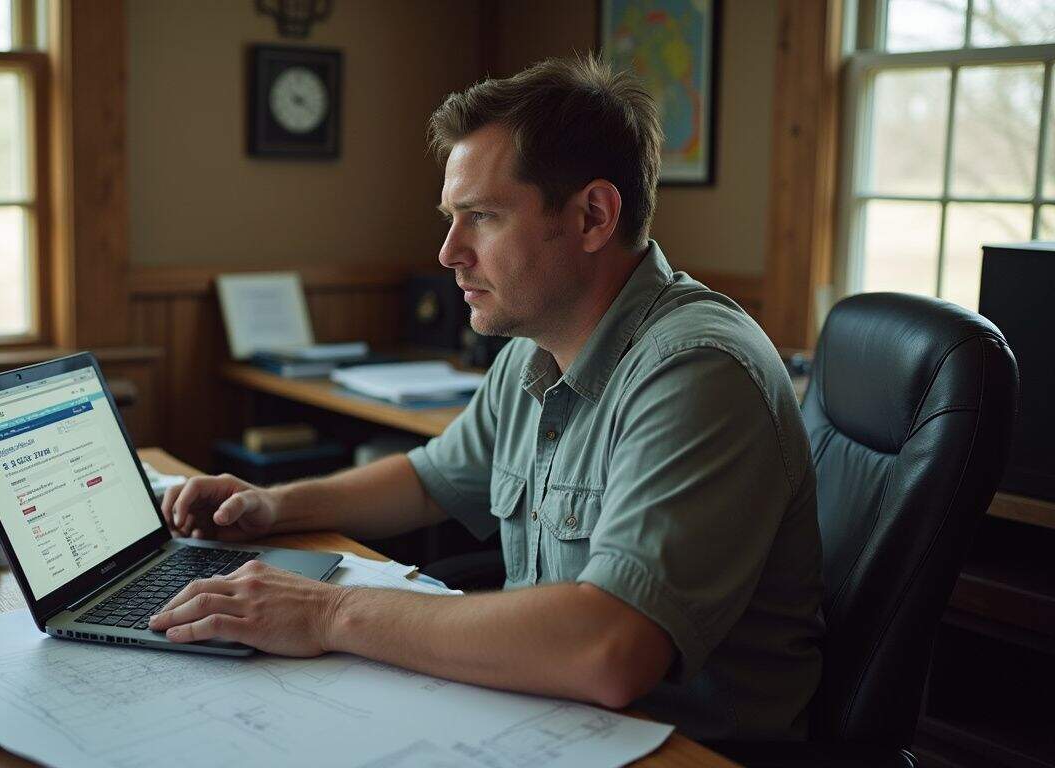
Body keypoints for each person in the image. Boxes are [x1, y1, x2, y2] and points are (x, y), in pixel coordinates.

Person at [149, 55, 824, 741]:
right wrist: (274, 506)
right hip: (555, 718)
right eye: (451, 217)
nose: (448, 252)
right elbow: (428, 481)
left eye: (482, 217)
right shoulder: (539, 345)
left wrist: (325, 614)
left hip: (687, 746)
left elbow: (611, 650)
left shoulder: (697, 371)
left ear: (593, 215)